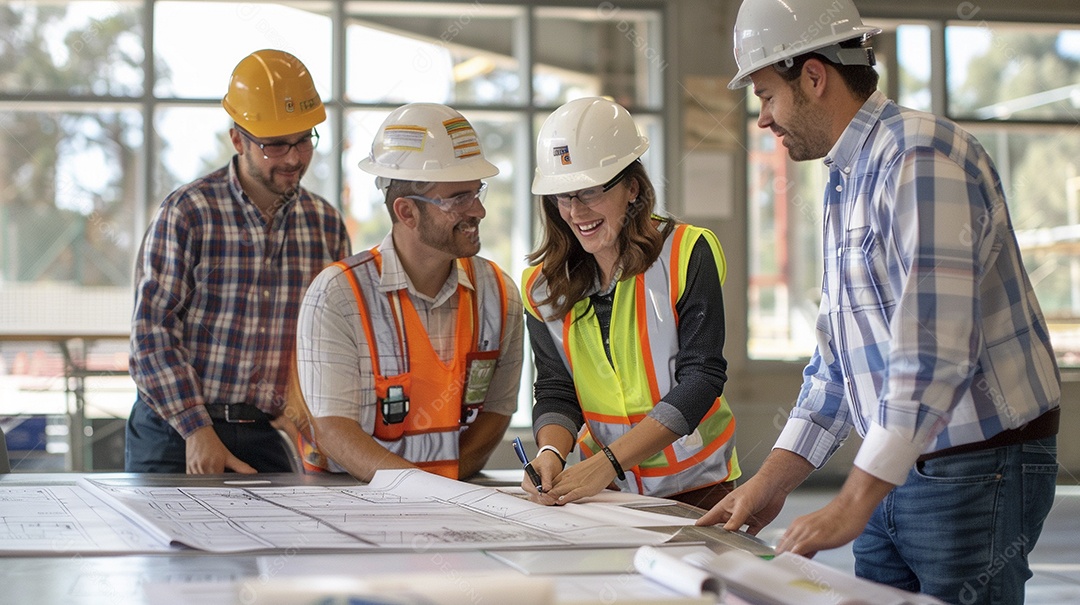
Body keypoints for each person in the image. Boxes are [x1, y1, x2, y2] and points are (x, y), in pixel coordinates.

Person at [697, 1, 1062, 602]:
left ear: (814, 76)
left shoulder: (920, 156)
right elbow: (836, 367)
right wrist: (771, 482)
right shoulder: (846, 179)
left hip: (972, 468)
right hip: (894, 463)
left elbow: (936, 352)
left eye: (766, 96)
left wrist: (851, 501)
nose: (762, 119)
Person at [127, 49, 352, 474]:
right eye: (274, 145)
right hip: (175, 429)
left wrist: (302, 414)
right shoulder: (188, 213)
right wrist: (197, 429)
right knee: (169, 541)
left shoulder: (325, 225)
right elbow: (151, 332)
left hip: (267, 432)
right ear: (237, 139)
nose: (293, 158)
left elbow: (330, 338)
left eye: (304, 140)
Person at [521, 97, 740, 511]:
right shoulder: (541, 287)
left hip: (697, 488)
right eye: (561, 196)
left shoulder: (687, 252)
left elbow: (702, 378)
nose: (574, 211)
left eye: (588, 191)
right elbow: (556, 389)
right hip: (603, 494)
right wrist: (549, 454)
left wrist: (609, 463)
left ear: (632, 187)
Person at [294, 103, 522, 481]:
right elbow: (334, 431)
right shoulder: (337, 296)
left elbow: (496, 412)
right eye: (458, 198)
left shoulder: (499, 294)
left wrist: (444, 491)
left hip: (451, 505)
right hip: (349, 506)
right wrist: (426, 491)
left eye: (476, 192)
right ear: (407, 213)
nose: (478, 210)